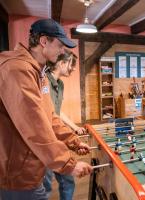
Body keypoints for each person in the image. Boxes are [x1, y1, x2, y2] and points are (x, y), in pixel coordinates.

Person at [0, 19, 92, 200]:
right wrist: (68, 164)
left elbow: (49, 116)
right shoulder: (17, 69)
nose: (62, 51)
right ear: (43, 41)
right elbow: (34, 126)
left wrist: (73, 141)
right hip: (16, 174)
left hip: (31, 168)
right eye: (60, 45)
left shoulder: (37, 71)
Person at [43, 50, 86, 199]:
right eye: (72, 64)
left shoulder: (60, 84)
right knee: (46, 186)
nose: (74, 68)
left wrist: (75, 128)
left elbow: (57, 112)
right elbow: (45, 116)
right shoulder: (44, 81)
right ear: (61, 63)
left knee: (68, 181)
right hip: (45, 142)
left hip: (56, 138)